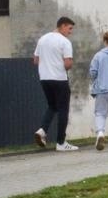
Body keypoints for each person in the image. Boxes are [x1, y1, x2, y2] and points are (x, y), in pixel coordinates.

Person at [33, 17, 77, 152]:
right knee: (63, 109)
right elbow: (68, 63)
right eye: (69, 28)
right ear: (62, 26)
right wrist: (63, 66)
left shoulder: (42, 39)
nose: (70, 32)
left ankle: (42, 130)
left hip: (44, 79)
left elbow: (35, 60)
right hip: (59, 79)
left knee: (52, 106)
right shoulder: (65, 42)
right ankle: (61, 142)